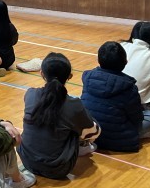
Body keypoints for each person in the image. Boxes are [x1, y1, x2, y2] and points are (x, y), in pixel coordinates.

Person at [18, 52, 101, 180]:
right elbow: (93, 133)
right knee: (81, 124)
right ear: (70, 76)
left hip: (27, 161)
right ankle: (82, 147)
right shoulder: (74, 104)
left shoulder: (30, 94)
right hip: (57, 169)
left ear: (41, 73)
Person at [81, 41, 150, 152]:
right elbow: (137, 119)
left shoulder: (88, 77)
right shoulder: (129, 87)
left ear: (98, 60)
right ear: (125, 62)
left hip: (91, 134)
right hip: (119, 140)